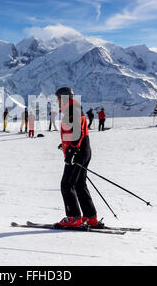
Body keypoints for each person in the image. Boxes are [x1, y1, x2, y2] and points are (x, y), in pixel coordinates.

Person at [55, 87, 98, 228]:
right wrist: (66, 146)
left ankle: (73, 217)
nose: (57, 101)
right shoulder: (75, 109)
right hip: (84, 150)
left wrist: (72, 151)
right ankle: (90, 217)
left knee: (66, 184)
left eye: (59, 98)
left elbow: (77, 133)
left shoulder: (71, 110)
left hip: (78, 152)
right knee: (79, 184)